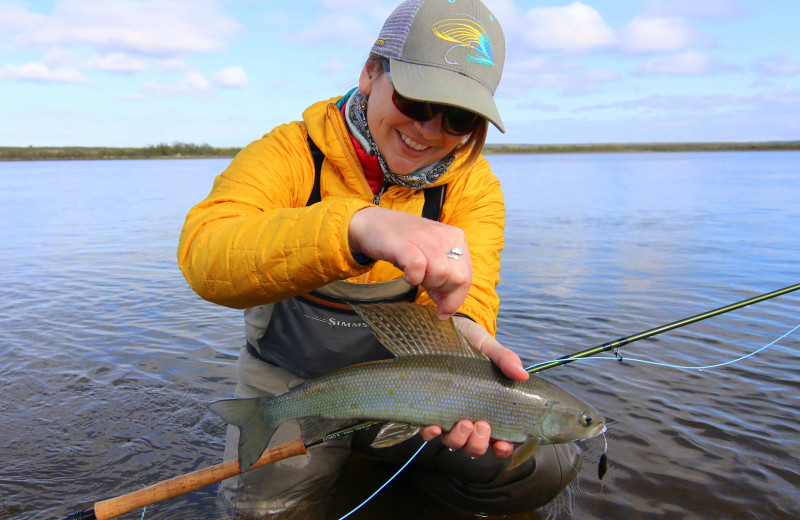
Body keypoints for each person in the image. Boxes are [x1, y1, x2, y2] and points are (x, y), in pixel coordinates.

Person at [178, 0, 580, 517]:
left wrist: (469, 331)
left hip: (417, 386)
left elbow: (474, 292)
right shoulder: (288, 153)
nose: (430, 130)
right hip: (289, 379)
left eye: (459, 116)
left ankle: (401, 484)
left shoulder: (475, 188)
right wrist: (355, 227)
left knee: (537, 467)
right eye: (415, 99)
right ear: (371, 73)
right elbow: (204, 256)